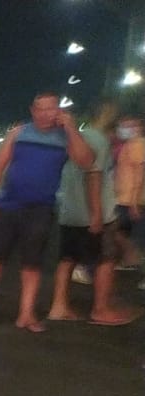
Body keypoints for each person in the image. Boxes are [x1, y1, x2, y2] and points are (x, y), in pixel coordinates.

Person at [0, 92, 94, 332]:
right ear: (32, 110)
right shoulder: (19, 133)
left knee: (32, 264)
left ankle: (26, 315)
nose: (45, 113)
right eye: (40, 108)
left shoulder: (66, 137)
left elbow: (86, 161)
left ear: (59, 110)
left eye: (51, 108)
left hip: (40, 209)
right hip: (9, 205)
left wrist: (71, 128)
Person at [48, 102, 139, 326]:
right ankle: (101, 310)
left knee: (67, 259)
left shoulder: (77, 137)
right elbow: (94, 176)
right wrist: (97, 215)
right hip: (93, 213)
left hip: (70, 212)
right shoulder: (98, 139)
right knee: (105, 260)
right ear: (108, 117)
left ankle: (58, 307)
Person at [114, 111, 145, 270]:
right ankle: (130, 259)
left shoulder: (138, 145)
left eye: (127, 125)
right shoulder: (129, 144)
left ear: (138, 127)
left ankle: (133, 257)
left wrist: (134, 202)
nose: (122, 128)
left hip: (130, 200)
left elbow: (140, 173)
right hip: (124, 198)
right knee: (121, 232)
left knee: (118, 231)